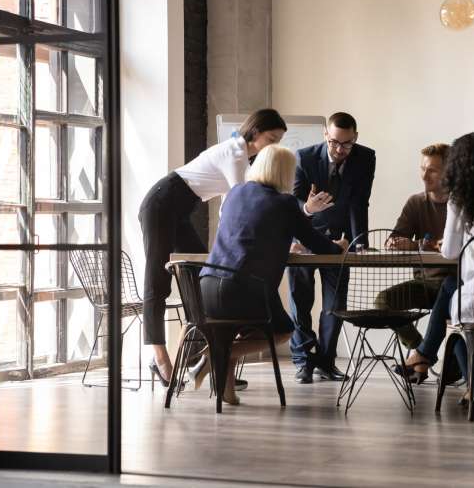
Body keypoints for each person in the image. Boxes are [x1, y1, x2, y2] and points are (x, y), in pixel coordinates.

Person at [138, 109, 288, 386]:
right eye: (272, 138)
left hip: (181, 209)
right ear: (255, 133)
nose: (275, 145)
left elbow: (232, 207)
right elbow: (236, 203)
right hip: (161, 203)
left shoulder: (247, 157)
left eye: (279, 140)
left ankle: (208, 361)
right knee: (157, 282)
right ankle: (159, 358)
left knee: (200, 277)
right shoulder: (236, 153)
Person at [197, 144, 348, 405]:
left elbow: (246, 231)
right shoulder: (285, 202)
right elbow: (318, 244)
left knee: (234, 329)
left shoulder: (235, 193)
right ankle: (217, 354)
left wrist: (280, 241)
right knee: (282, 331)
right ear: (285, 173)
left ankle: (227, 391)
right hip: (243, 287)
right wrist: (340, 247)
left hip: (206, 284)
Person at [395, 133, 474, 404]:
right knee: (451, 287)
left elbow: (450, 252)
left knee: (456, 310)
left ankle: (429, 356)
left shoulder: (460, 200)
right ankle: (430, 357)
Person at [287, 112, 376, 384]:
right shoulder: (304, 156)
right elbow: (292, 202)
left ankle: (325, 362)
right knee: (301, 303)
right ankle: (303, 362)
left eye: (346, 144)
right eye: (335, 142)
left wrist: (359, 242)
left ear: (355, 138)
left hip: (340, 242)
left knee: (334, 305)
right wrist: (307, 209)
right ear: (326, 134)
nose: (340, 150)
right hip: (304, 238)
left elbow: (360, 202)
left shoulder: (365, 157)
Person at [376, 143, 451, 350]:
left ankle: (430, 360)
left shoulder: (462, 204)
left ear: (450, 172)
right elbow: (394, 239)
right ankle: (420, 350)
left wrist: (416, 244)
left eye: (432, 171)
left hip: (456, 285)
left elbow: (460, 246)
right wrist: (395, 243)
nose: (424, 176)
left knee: (457, 315)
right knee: (383, 301)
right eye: (422, 169)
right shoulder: (416, 202)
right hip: (425, 284)